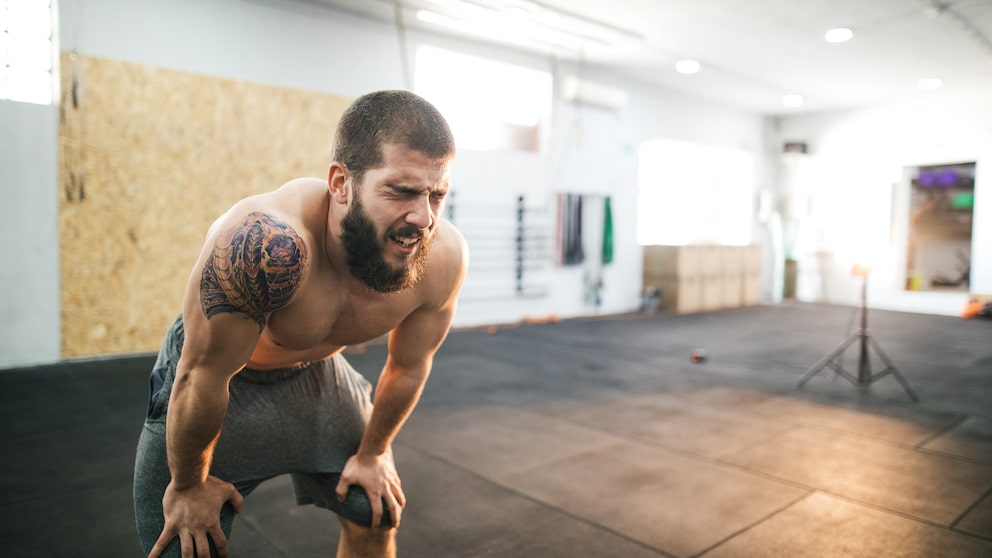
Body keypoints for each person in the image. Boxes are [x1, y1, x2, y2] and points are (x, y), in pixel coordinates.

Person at [133, 89, 467, 558]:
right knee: (183, 546)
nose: (423, 217)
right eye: (402, 191)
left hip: (317, 373)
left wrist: (372, 454)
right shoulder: (266, 244)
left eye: (437, 194)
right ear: (340, 182)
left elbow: (409, 367)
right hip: (221, 379)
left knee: (375, 510)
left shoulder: (442, 258)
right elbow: (202, 373)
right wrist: (188, 486)